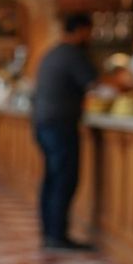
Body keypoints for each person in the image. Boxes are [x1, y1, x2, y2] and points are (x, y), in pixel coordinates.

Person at [32, 13, 98, 250]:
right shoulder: (73, 54)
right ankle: (56, 235)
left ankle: (50, 232)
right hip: (59, 124)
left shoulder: (52, 52)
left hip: (42, 122)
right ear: (81, 30)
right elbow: (95, 84)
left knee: (52, 178)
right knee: (63, 179)